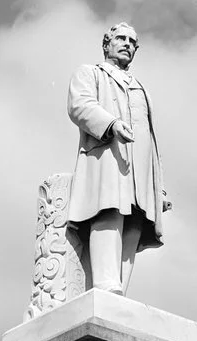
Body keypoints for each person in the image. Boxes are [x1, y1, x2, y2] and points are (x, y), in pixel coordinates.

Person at [67, 22, 171, 296]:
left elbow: (151, 138)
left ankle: (119, 292)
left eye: (132, 41)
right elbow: (80, 105)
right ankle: (105, 284)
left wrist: (156, 188)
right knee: (109, 210)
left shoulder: (140, 87)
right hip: (108, 156)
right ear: (106, 44)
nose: (126, 43)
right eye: (121, 38)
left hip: (140, 170)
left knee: (135, 222)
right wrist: (111, 124)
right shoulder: (90, 73)